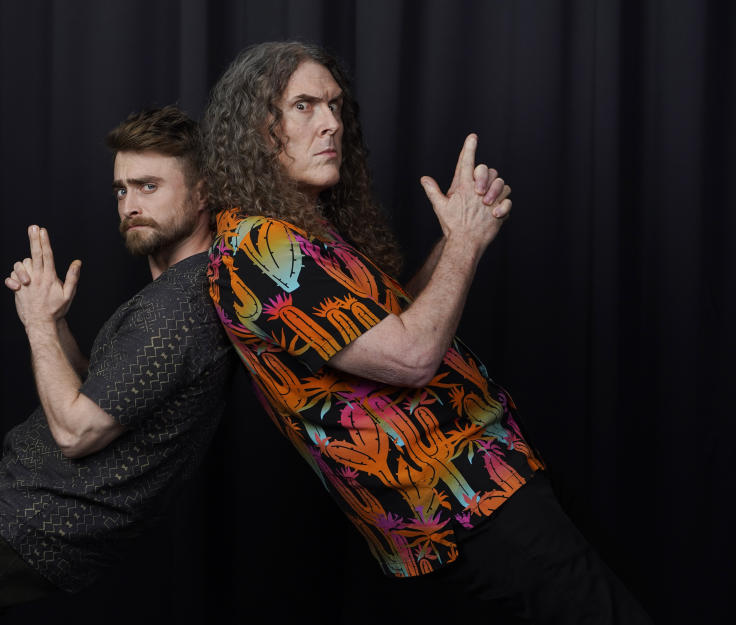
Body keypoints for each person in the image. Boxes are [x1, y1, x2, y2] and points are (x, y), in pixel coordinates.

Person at [203, 41, 652, 623]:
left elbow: (394, 325)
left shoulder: (300, 230)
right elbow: (412, 356)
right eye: (305, 106)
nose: (332, 123)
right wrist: (463, 243)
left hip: (487, 476)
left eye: (335, 105)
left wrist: (459, 237)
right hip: (459, 500)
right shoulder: (258, 249)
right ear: (257, 128)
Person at [0, 106, 232, 624]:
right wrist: (55, 323)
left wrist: (39, 326)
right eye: (121, 190)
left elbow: (75, 432)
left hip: (37, 521)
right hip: (29, 513)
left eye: (148, 187)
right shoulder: (176, 295)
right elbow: (104, 393)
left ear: (202, 194)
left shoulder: (176, 307)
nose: (129, 205)